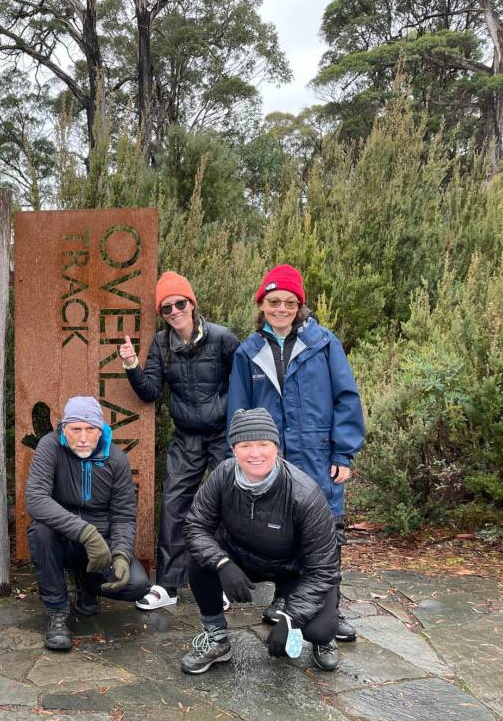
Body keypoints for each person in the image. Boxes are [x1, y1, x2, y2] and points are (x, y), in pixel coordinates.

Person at [226, 264, 365, 643]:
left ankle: (329, 611)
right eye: (274, 301)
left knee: (326, 534)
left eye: (289, 302)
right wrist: (242, 459)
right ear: (262, 304)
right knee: (279, 531)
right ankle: (285, 599)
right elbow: (238, 412)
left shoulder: (324, 344)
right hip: (269, 461)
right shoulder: (248, 352)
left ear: (300, 305)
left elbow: (346, 398)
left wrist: (344, 453)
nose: (282, 308)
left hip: (319, 457)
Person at [180, 408, 341, 674]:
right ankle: (217, 638)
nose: (255, 454)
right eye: (245, 445)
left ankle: (321, 637)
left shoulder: (305, 494)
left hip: (294, 569)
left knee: (320, 630)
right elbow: (195, 525)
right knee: (199, 559)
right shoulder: (223, 476)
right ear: (234, 449)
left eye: (263, 444)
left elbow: (323, 569)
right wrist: (222, 563)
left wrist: (291, 618)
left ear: (276, 447)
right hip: (242, 557)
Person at [118, 271, 239, 611]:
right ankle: (168, 586)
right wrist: (131, 365)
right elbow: (151, 392)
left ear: (192, 302)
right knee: (173, 505)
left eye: (179, 303)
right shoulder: (161, 343)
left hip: (221, 435)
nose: (174, 311)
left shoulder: (223, 339)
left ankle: (218, 582)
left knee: (225, 506)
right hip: (186, 436)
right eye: (166, 308)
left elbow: (245, 384)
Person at [24, 396, 151, 651]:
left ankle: (86, 584)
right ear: (64, 429)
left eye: (90, 429)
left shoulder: (116, 459)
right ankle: (57, 610)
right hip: (62, 535)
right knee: (40, 531)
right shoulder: (50, 446)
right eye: (75, 429)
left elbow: (124, 515)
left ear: (101, 430)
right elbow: (36, 499)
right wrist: (85, 533)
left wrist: (122, 554)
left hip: (100, 544)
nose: (83, 438)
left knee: (137, 585)